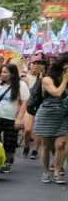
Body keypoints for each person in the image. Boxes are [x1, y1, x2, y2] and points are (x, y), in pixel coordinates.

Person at [33, 55, 68, 184]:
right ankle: (46, 171)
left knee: (60, 144)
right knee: (46, 146)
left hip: (64, 114)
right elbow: (57, 93)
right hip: (48, 113)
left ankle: (58, 170)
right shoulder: (47, 79)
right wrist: (65, 80)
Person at [0, 64, 28, 173]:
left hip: (12, 118)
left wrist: (19, 118)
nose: (3, 74)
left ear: (13, 73)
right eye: (2, 72)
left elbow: (24, 103)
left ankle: (8, 162)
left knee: (10, 142)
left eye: (6, 72)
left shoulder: (21, 85)